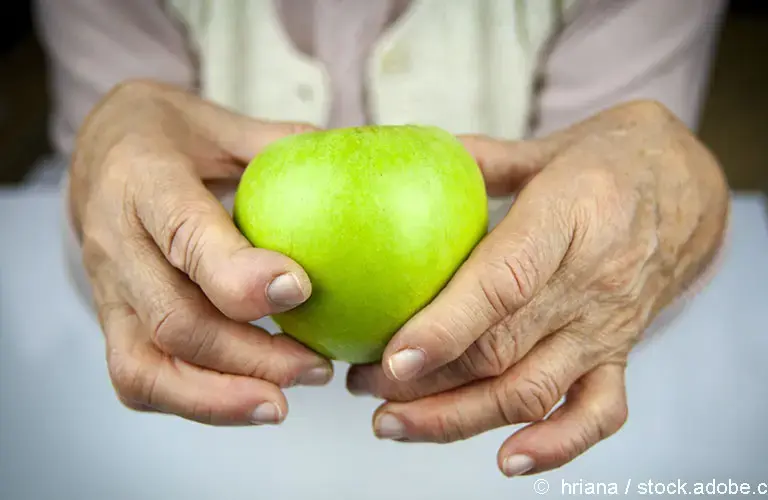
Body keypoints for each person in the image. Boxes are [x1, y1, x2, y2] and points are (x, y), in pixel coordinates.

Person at [34, 0, 730, 477]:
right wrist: (102, 171)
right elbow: (111, 210)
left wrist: (669, 201)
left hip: (526, 426)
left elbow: (626, 206)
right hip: (201, 452)